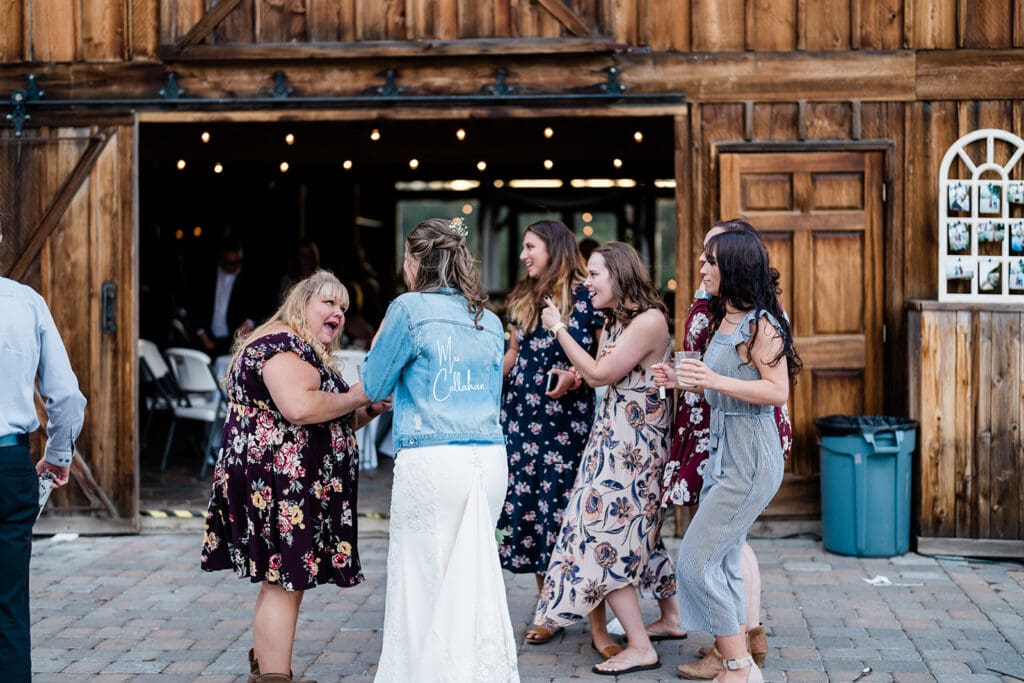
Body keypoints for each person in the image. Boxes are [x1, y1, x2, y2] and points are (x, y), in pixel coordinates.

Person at [201, 270, 390, 683]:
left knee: (285, 576)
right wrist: (361, 392)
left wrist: (369, 408)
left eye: (343, 307)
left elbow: (329, 419)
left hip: (287, 484)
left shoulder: (302, 349)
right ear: (301, 303)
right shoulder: (283, 346)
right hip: (276, 486)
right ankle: (272, 676)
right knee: (283, 580)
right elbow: (299, 409)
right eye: (329, 303)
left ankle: (270, 664)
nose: (338, 313)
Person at [362, 218, 519, 682]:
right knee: (471, 575)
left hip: (433, 456)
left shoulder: (407, 309)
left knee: (422, 577)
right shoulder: (487, 319)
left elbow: (373, 384)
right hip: (489, 458)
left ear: (414, 261)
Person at [659, 228, 801, 683]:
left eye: (711, 262)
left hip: (752, 455)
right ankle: (736, 660)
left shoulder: (762, 323)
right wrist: (680, 379)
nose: (702, 268)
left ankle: (738, 667)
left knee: (695, 561)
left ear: (735, 268)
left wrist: (713, 382)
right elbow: (719, 379)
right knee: (722, 560)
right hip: (723, 451)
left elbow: (776, 391)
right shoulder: (726, 315)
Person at [531, 241, 676, 676]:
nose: (586, 282)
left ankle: (640, 645)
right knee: (637, 534)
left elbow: (601, 374)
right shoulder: (617, 319)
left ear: (619, 275)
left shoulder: (649, 321)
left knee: (602, 537)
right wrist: (575, 377)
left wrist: (558, 328)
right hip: (611, 444)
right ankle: (672, 618)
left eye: (594, 274)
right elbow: (598, 373)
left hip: (634, 453)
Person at [498, 220, 602, 611]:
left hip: (565, 424)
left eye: (530, 247)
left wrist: (575, 377)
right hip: (521, 421)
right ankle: (547, 607)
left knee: (563, 510)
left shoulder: (586, 296)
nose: (523, 255)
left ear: (553, 249)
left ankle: (585, 605)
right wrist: (484, 377)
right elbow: (513, 352)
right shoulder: (522, 296)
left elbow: (601, 358)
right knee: (534, 511)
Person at [0, 227, 87, 683]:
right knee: (8, 605)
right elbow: (66, 397)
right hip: (8, 465)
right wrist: (57, 456)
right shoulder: (25, 303)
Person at [191, 237, 260, 356]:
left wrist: (249, 323)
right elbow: (195, 305)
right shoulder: (206, 275)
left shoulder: (249, 276)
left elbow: (258, 304)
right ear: (221, 259)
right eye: (229, 263)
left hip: (235, 340)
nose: (234, 266)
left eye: (237, 262)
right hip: (207, 339)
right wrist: (202, 335)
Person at [278, 238, 321, 302]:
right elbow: (283, 303)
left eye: (309, 255)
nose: (307, 259)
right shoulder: (288, 280)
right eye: (303, 256)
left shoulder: (321, 279)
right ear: (296, 257)